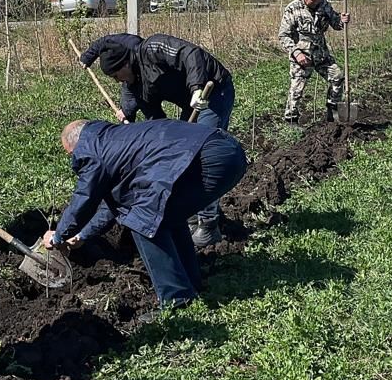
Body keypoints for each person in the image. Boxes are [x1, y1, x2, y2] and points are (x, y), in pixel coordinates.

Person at [41, 119, 247, 320]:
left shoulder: (91, 149)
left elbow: (85, 198)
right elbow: (111, 207)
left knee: (143, 221)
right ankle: (191, 283)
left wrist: (59, 234)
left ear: (74, 144)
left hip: (210, 160)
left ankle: (176, 299)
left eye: (70, 154)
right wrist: (82, 235)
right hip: (228, 150)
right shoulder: (115, 141)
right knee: (167, 216)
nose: (73, 158)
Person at [80, 33, 235, 246]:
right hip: (189, 103)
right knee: (183, 156)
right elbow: (156, 120)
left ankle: (209, 225)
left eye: (117, 75)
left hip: (212, 90)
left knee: (202, 154)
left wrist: (197, 88)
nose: (117, 81)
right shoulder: (136, 86)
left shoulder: (154, 48)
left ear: (125, 63)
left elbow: (190, 54)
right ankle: (189, 218)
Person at [278, 0, 351, 123]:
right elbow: (283, 35)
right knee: (297, 89)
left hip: (321, 54)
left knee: (337, 77)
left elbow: (336, 23)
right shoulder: (293, 9)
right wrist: (296, 53)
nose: (317, 0)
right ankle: (291, 119)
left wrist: (343, 20)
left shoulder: (324, 5)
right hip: (302, 56)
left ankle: (332, 112)